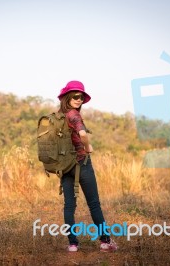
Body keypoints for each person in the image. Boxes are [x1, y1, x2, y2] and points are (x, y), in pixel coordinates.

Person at [57, 80, 118, 252]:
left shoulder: (58, 116)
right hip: (81, 164)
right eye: (75, 96)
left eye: (81, 97)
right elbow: (83, 134)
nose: (79, 99)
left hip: (65, 166)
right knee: (94, 204)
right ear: (67, 97)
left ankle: (73, 244)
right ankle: (105, 241)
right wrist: (87, 146)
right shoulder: (74, 115)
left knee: (69, 206)